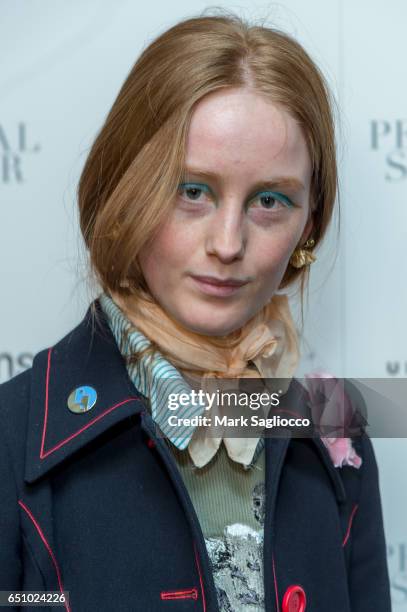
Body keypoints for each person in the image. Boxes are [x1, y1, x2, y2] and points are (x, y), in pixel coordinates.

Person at [0, 12, 391, 612]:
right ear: (125, 192)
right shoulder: (11, 432)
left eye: (270, 200)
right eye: (191, 190)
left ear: (308, 226)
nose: (228, 244)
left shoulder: (335, 423)